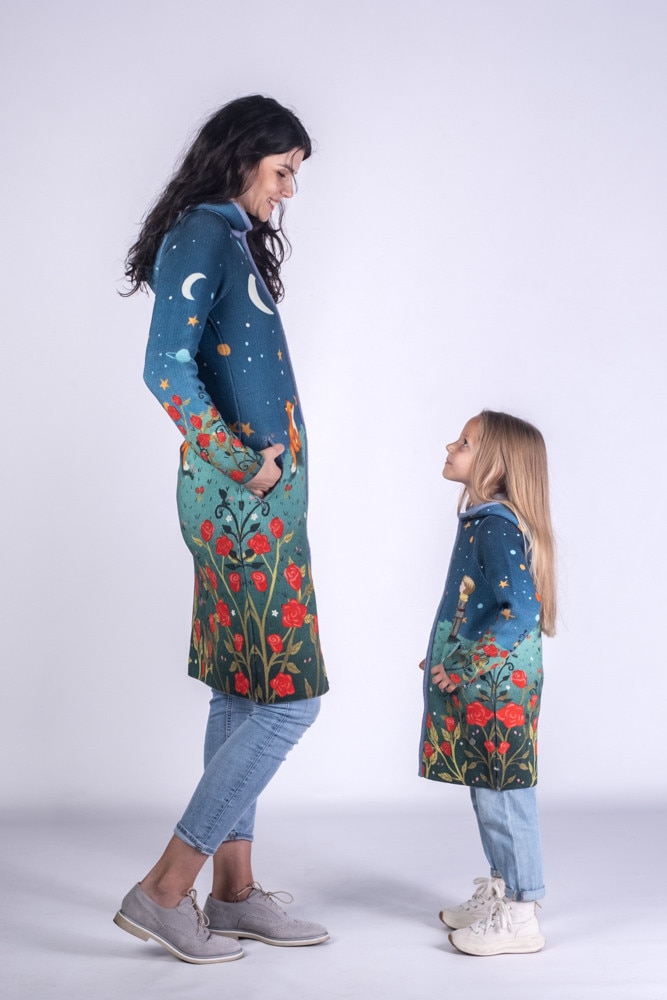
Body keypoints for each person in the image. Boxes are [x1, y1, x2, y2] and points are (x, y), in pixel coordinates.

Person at [114, 95, 330, 965]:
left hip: (253, 504)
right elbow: (164, 367)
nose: (288, 191)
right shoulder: (205, 230)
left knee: (242, 693)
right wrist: (246, 465)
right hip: (242, 507)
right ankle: (166, 889)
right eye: (282, 171)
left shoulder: (227, 235)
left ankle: (233, 895)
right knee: (291, 702)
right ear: (240, 158)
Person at [419, 410, 556, 956]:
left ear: (495, 465)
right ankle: (502, 891)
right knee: (490, 790)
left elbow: (520, 610)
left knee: (505, 796)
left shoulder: (496, 524)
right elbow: (482, 606)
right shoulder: (484, 521)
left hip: (498, 687)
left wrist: (463, 665)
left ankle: (521, 915)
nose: (450, 446)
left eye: (465, 442)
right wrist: (449, 654)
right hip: (488, 685)